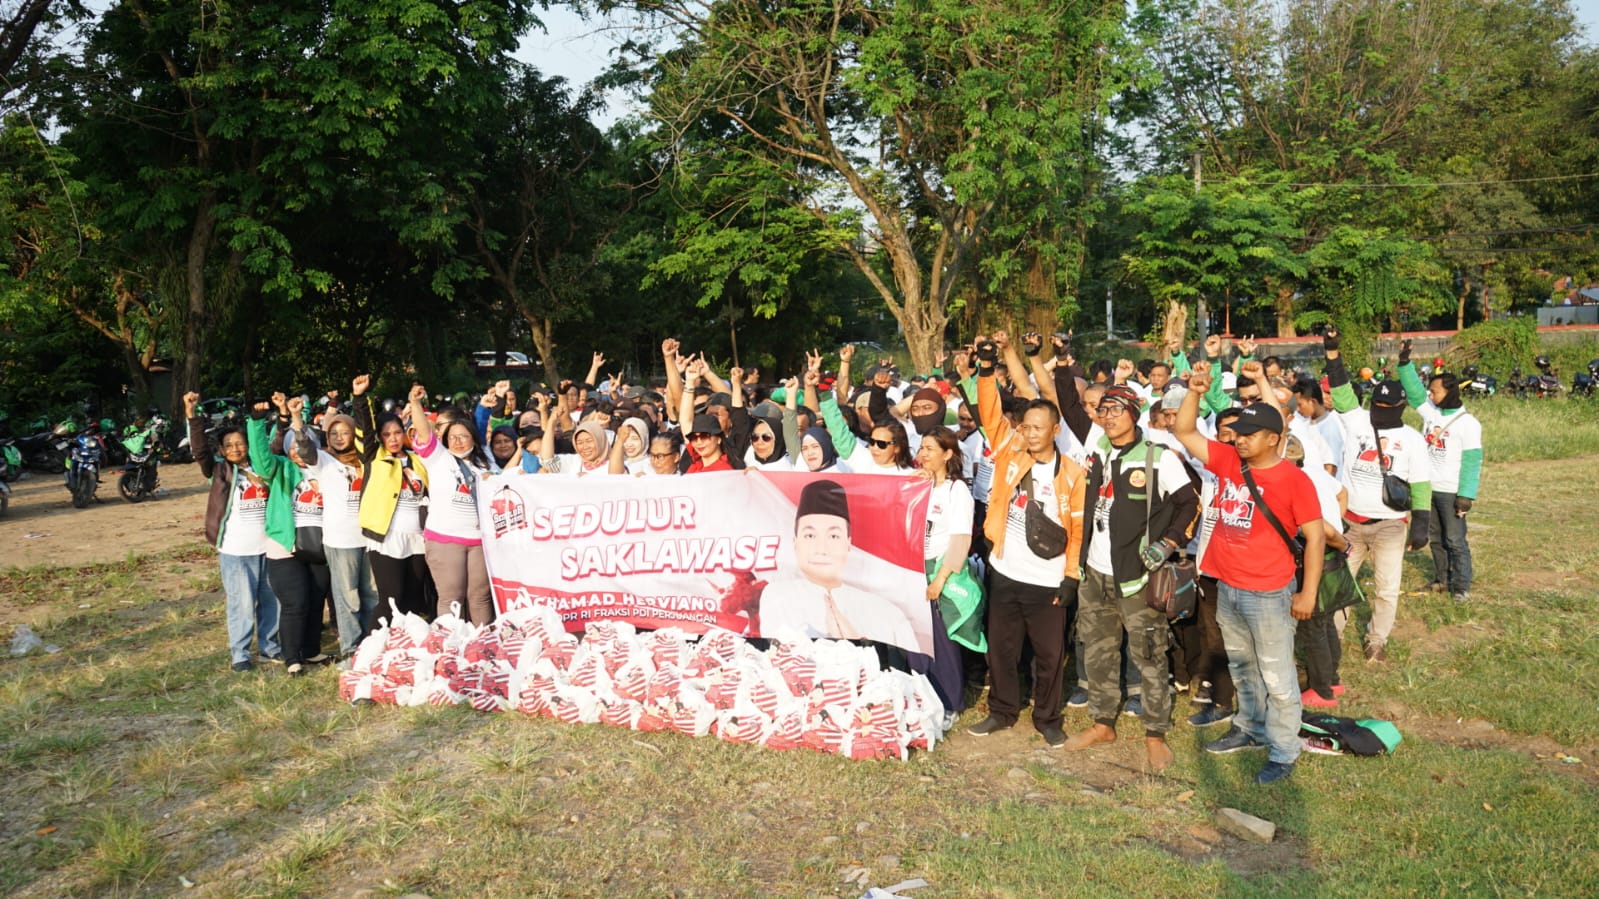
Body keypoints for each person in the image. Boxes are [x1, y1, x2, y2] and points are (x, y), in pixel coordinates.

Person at [1173, 364, 1325, 786]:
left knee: (1277, 674)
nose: (1238, 439)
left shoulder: (1294, 480)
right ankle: (1250, 728)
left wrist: (1307, 592)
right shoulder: (1227, 461)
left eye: (1249, 434)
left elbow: (1314, 538)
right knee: (1242, 667)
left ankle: (1283, 749)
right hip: (1229, 586)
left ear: (1274, 439)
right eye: (1237, 433)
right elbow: (1185, 433)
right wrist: (1193, 392)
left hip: (1270, 593)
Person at [1062, 385, 1200, 772]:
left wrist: (1169, 543)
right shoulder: (1099, 452)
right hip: (1095, 572)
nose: (1108, 416)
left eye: (1116, 410)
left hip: (1138, 576)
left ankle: (1155, 733)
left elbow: (1190, 503)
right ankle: (1103, 723)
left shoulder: (1158, 458)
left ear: (1134, 414)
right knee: (1098, 650)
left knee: (1151, 655)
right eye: (1103, 409)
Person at [965, 335, 1087, 747]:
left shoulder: (1072, 473)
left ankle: (1048, 718)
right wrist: (986, 366)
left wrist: (1070, 576)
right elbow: (990, 412)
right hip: (1005, 572)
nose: (1030, 433)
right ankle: (1001, 710)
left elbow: (1079, 530)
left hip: (1049, 580)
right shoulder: (1010, 453)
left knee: (1050, 656)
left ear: (1055, 430)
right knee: (1000, 649)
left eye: (1039, 427)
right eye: (1026, 426)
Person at [1322, 330, 1431, 662]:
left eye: (1387, 405)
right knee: (1340, 586)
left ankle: (1376, 641)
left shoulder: (1412, 440)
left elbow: (1423, 484)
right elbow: (1340, 389)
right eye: (1377, 403)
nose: (1381, 409)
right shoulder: (1356, 421)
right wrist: (1332, 351)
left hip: (1389, 527)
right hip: (1350, 524)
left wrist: (1421, 526)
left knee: (1385, 590)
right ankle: (1332, 638)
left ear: (1400, 406)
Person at [760, 479, 920, 650]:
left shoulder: (887, 613)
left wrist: (858, 642)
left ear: (849, 543)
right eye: (810, 536)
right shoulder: (778, 596)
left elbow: (910, 667)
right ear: (795, 542)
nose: (821, 549)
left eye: (833, 536)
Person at [186, 389, 282, 672]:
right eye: (230, 445)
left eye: (241, 443)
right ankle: (240, 654)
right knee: (241, 605)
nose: (237, 449)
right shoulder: (219, 471)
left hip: (268, 547)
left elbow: (276, 443)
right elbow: (199, 451)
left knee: (270, 602)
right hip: (236, 551)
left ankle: (270, 648)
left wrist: (280, 415)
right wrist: (192, 415)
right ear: (222, 451)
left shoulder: (264, 467)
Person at [1397, 340, 1482, 603]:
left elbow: (1472, 461)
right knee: (1435, 538)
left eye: (1434, 391)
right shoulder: (1432, 413)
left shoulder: (1468, 424)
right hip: (1428, 488)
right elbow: (1414, 394)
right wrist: (1404, 364)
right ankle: (1441, 579)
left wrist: (1466, 495)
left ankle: (1461, 585)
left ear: (1449, 392)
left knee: (1455, 539)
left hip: (1451, 490)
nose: (1430, 395)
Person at [255, 393, 333, 677]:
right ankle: (292, 658)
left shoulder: (325, 469)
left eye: (304, 446)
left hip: (319, 545)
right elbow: (262, 458)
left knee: (316, 598)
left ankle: (311, 650)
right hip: (284, 546)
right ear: (287, 450)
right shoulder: (280, 469)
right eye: (294, 447)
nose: (299, 452)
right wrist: (256, 422)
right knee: (295, 602)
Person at [292, 405, 378, 656]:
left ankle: (371, 646)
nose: (339, 438)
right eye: (333, 434)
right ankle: (351, 648)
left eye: (345, 432)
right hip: (341, 541)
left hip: (370, 538)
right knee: (348, 598)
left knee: (372, 595)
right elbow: (305, 449)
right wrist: (297, 418)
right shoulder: (324, 460)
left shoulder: (366, 460)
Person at [410, 383, 496, 624]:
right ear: (445, 439)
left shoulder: (484, 464)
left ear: (473, 439)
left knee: (480, 597)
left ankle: (482, 647)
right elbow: (424, 432)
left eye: (464, 436)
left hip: (480, 541)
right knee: (451, 597)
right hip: (445, 539)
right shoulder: (438, 458)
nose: (458, 442)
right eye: (453, 437)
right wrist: (416, 404)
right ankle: (449, 649)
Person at [351, 374, 431, 622]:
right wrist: (360, 397)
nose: (394, 438)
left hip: (418, 537)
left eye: (397, 432)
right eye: (387, 434)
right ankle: (371, 649)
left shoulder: (417, 459)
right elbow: (364, 430)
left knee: (412, 599)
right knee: (391, 599)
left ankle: (403, 651)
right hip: (387, 537)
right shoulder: (374, 458)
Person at [917, 429, 979, 715]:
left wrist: (940, 579)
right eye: (922, 448)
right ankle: (921, 696)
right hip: (915, 569)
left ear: (948, 454)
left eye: (930, 448)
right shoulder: (919, 485)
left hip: (940, 570)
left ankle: (950, 702)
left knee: (942, 641)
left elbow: (960, 539)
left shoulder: (958, 490)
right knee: (917, 637)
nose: (923, 453)